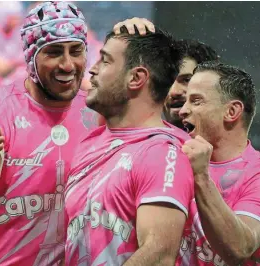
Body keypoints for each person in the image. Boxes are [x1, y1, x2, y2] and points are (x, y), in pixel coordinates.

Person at [0, 2, 156, 265]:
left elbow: (152, 113)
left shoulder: (98, 112)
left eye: (76, 51)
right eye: (53, 52)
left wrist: (138, 45)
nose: (68, 65)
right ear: (30, 57)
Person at [64, 27, 195, 265]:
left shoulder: (163, 151)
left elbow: (159, 255)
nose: (92, 69)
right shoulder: (90, 143)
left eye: (105, 61)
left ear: (136, 78)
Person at [177, 62, 260, 265]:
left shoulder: (256, 172)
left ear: (232, 111)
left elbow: (240, 247)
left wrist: (201, 177)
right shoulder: (173, 156)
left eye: (196, 101)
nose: (182, 111)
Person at [164, 39, 219, 129]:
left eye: (186, 80)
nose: (174, 92)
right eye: (167, 81)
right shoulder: (141, 140)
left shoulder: (234, 142)